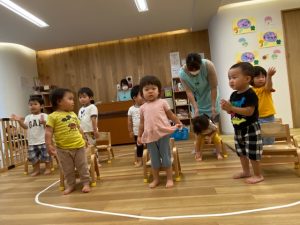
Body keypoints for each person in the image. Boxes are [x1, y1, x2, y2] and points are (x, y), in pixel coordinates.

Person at [221, 62, 264, 184]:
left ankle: (258, 175)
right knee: (241, 152)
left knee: (253, 152)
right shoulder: (234, 94)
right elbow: (232, 112)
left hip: (250, 128)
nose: (231, 81)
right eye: (229, 78)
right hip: (238, 128)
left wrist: (232, 108)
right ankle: (246, 171)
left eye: (234, 77)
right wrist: (227, 108)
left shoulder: (250, 93)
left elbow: (249, 112)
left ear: (247, 79)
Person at [137, 75, 182, 188]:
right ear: (142, 93)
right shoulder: (142, 108)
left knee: (166, 157)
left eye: (153, 88)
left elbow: (170, 115)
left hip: (163, 134)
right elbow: (142, 123)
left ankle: (169, 178)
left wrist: (178, 122)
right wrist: (139, 136)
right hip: (150, 136)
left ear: (159, 91)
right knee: (154, 159)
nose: (150, 91)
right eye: (147, 89)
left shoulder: (163, 102)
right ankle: (156, 179)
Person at [45, 88, 91, 195]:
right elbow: (48, 132)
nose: (73, 101)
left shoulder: (73, 114)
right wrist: (48, 144)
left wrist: (84, 138)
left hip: (79, 146)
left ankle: (86, 183)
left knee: (82, 166)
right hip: (62, 149)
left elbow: (79, 128)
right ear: (59, 101)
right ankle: (71, 185)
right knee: (67, 169)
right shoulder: (52, 116)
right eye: (70, 99)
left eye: (73, 99)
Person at [11, 95, 51, 176]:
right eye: (30, 104)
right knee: (33, 157)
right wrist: (19, 121)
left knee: (46, 156)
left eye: (35, 104)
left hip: (43, 140)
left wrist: (44, 123)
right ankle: (36, 170)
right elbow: (25, 127)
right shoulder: (28, 117)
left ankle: (48, 168)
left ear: (42, 106)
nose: (32, 106)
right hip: (32, 142)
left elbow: (49, 127)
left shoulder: (45, 116)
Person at [179, 53, 220, 121]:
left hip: (211, 97)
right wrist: (196, 108)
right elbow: (189, 91)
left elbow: (214, 87)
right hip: (198, 102)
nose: (194, 72)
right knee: (201, 126)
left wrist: (213, 106)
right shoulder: (182, 74)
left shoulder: (208, 65)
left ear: (200, 64)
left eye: (197, 69)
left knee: (214, 124)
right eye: (192, 70)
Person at [252, 66, 276, 145]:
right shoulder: (250, 90)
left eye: (263, 77)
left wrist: (269, 76)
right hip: (255, 117)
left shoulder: (265, 89)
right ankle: (261, 150)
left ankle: (269, 150)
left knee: (269, 136)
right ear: (251, 79)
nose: (261, 79)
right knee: (257, 136)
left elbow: (268, 86)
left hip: (268, 116)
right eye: (258, 77)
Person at [128, 85, 144, 167]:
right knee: (139, 147)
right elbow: (130, 122)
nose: (143, 96)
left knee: (150, 146)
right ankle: (140, 161)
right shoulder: (131, 109)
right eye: (141, 95)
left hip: (147, 131)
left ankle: (150, 159)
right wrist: (130, 131)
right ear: (134, 98)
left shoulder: (146, 106)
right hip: (137, 133)